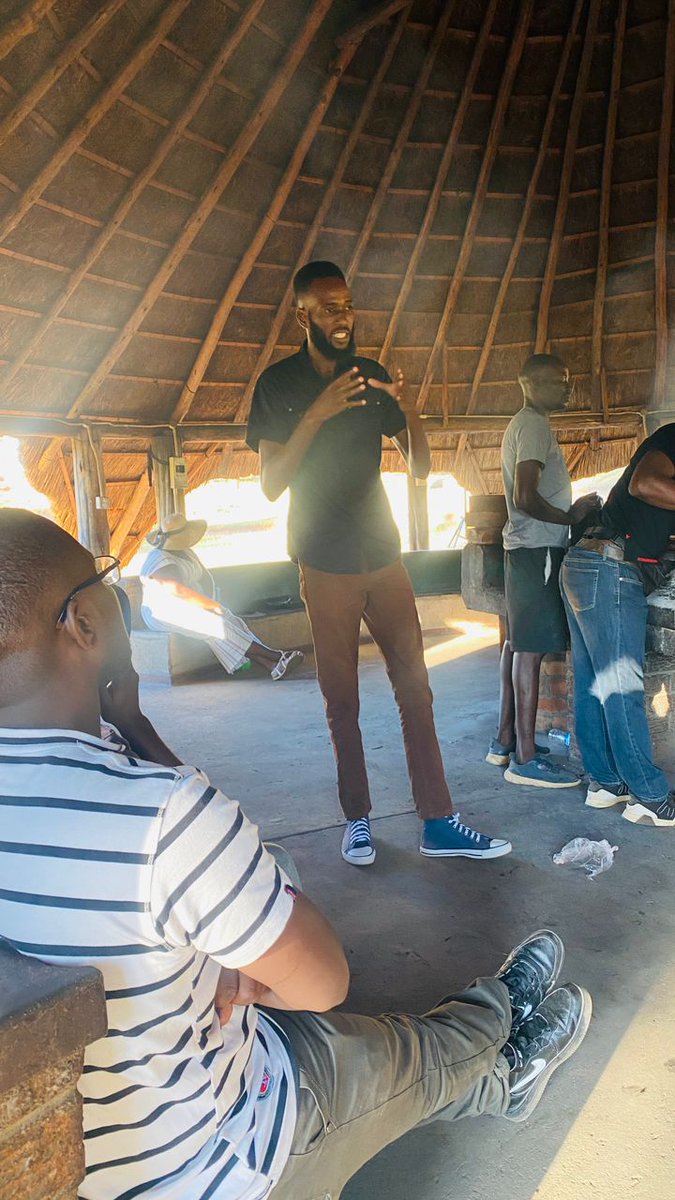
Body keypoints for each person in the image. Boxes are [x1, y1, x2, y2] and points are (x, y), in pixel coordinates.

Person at [0, 509, 592, 1200]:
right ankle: (499, 1028)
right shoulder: (161, 820)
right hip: (225, 1151)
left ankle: (495, 1062)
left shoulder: (131, 803)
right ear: (82, 622)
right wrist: (248, 954)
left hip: (129, 1143)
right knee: (404, 1050)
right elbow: (319, 985)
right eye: (107, 579)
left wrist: (130, 724)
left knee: (287, 913)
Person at [247, 260, 511, 866]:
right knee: (342, 700)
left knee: (416, 691)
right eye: (329, 308)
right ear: (302, 315)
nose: (343, 318)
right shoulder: (278, 385)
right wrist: (318, 413)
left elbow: (418, 468)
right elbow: (269, 485)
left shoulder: (370, 375)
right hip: (325, 561)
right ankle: (358, 819)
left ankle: (438, 820)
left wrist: (410, 409)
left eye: (347, 306)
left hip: (384, 555)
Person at [487, 354, 598, 787]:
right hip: (538, 550)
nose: (566, 389)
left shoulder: (527, 423)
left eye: (568, 381)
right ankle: (527, 760)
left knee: (516, 644)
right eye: (557, 381)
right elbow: (527, 495)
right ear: (528, 383)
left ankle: (505, 743)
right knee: (529, 651)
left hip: (528, 548)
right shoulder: (532, 424)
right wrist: (573, 517)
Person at [561, 424, 675, 827]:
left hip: (587, 563)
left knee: (595, 682)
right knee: (622, 686)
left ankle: (606, 782)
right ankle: (650, 796)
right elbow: (644, 484)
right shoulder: (672, 437)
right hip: (608, 569)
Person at [140, 512, 303, 681]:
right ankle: (275, 656)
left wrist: (211, 605)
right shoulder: (159, 558)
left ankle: (273, 666)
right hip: (163, 613)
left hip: (189, 606)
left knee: (230, 620)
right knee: (214, 626)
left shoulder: (185, 552)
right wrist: (209, 605)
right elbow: (178, 590)